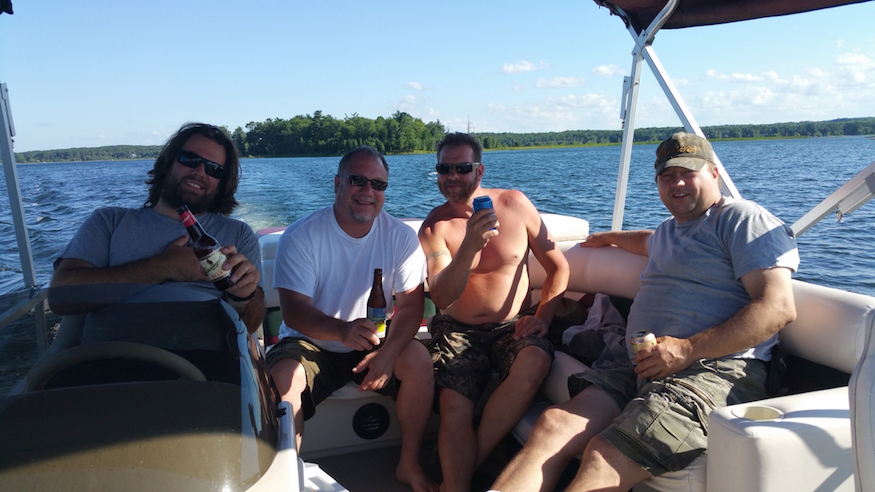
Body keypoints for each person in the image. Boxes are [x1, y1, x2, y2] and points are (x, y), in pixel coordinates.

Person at [491, 132, 799, 492]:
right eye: (667, 176)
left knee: (603, 456)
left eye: (689, 172)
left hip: (712, 372)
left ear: (714, 174)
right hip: (645, 366)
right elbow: (647, 240)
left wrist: (686, 349)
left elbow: (777, 308)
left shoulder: (741, 217)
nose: (678, 183)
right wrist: (611, 237)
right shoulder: (671, 231)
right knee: (553, 425)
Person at [266, 146, 438, 492]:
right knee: (284, 378)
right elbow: (293, 310)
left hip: (373, 341)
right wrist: (341, 331)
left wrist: (387, 355)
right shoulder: (302, 236)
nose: (368, 191)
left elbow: (410, 307)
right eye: (358, 180)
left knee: (419, 361)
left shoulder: (400, 237)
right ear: (337, 183)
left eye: (378, 184)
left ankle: (409, 463)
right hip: (309, 342)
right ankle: (286, 478)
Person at [418, 133, 570, 491]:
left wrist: (543, 317)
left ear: (479, 169)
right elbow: (440, 295)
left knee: (534, 364)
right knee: (454, 404)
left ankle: (468, 465)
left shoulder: (516, 205)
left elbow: (558, 269)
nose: (452, 175)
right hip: (457, 329)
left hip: (513, 327)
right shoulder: (434, 226)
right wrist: (470, 245)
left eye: (462, 167)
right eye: (444, 168)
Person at [51, 122, 264, 334]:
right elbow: (60, 297)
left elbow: (250, 326)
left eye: (214, 169)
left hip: (202, 362)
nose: (199, 172)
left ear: (222, 182)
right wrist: (163, 267)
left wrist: (242, 297)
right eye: (190, 159)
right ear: (168, 161)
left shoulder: (239, 235)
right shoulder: (109, 221)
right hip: (111, 356)